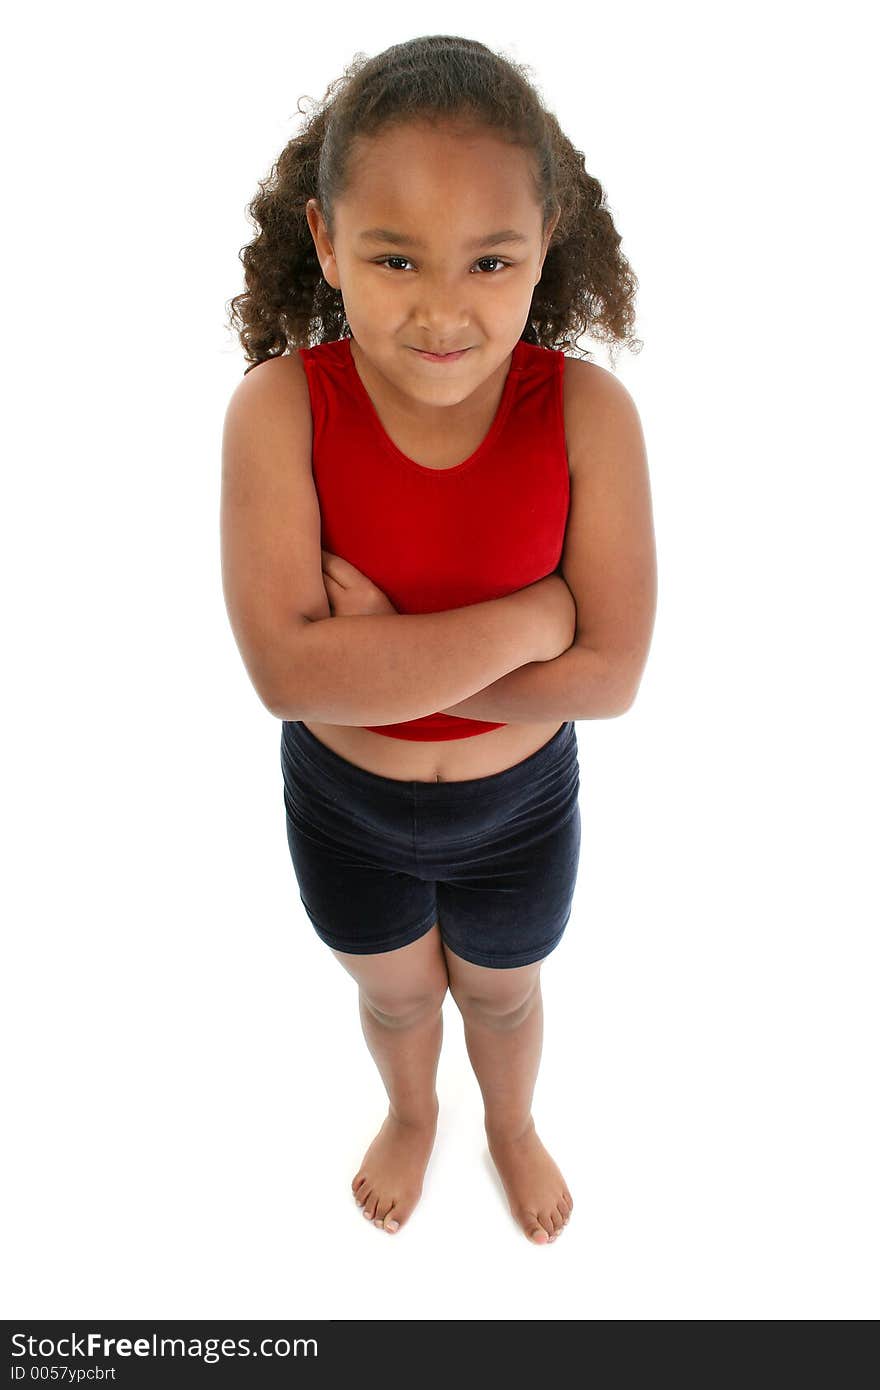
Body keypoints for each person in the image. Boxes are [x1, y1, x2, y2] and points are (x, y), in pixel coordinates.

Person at [221, 34, 656, 1245]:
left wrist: (391, 654)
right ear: (325, 243)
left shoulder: (585, 414)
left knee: (506, 1003)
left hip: (520, 808)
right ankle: (412, 1113)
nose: (441, 307)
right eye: (394, 257)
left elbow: (612, 678)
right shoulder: (277, 410)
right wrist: (534, 618)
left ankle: (509, 1126)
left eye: (489, 260)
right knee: (400, 1000)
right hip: (343, 808)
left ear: (544, 243)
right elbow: (289, 673)